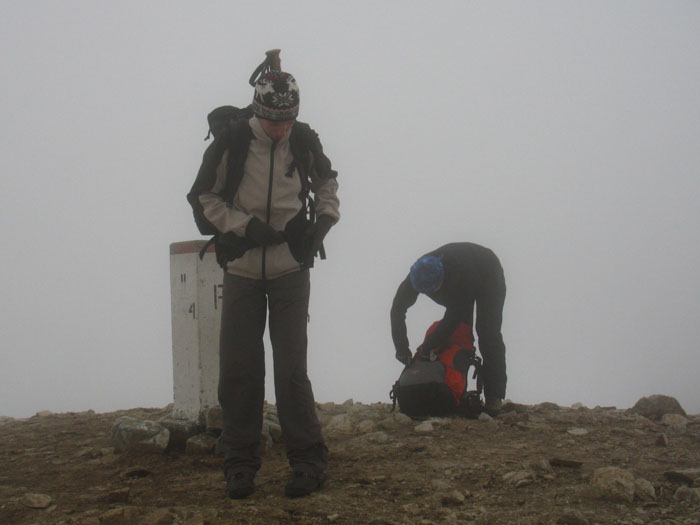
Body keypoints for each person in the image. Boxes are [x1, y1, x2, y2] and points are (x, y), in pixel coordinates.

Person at [188, 52, 339, 499]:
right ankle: (239, 464)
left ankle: (308, 461)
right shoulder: (233, 143)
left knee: (292, 369)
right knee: (239, 370)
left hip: (291, 269)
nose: (280, 129)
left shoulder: (302, 139)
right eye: (274, 121)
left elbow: (327, 181)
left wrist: (324, 222)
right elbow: (202, 198)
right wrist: (242, 226)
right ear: (259, 112)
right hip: (242, 270)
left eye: (287, 121)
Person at [390, 243, 506, 415]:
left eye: (435, 288)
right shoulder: (416, 277)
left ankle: (494, 397)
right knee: (460, 335)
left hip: (488, 271)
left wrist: (428, 347)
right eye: (426, 291)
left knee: (488, 333)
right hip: (461, 281)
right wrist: (401, 348)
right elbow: (397, 310)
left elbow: (454, 317)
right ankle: (455, 390)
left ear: (442, 277)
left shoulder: (460, 275)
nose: (433, 293)